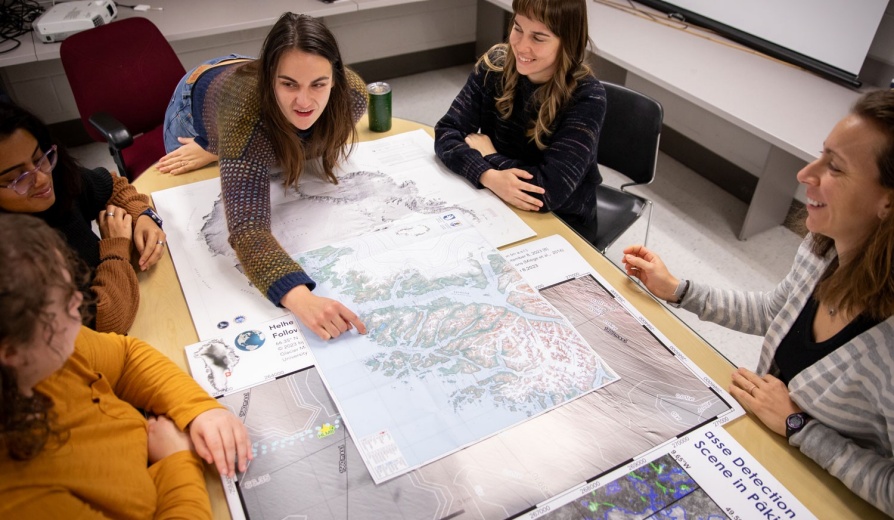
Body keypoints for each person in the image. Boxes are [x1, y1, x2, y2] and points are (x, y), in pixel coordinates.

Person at [622, 89, 894, 514]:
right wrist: (678, 289)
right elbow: (773, 312)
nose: (806, 174)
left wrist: (799, 426)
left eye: (835, 168)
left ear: (888, 201)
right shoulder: (821, 249)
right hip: (763, 451)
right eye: (821, 155)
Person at [0, 214, 252, 518]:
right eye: (66, 305)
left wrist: (200, 409)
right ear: (12, 352)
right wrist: (176, 460)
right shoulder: (22, 499)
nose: (79, 300)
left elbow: (126, 356)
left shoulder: (46, 352)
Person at [158, 13, 368, 341]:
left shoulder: (353, 95)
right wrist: (301, 298)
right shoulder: (245, 119)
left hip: (241, 84)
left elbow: (307, 138)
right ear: (271, 78)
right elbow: (247, 228)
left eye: (318, 84)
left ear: (336, 78)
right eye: (289, 84)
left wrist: (243, 148)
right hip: (199, 101)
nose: (304, 100)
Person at [434, 0, 605, 227]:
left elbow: (547, 193)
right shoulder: (494, 66)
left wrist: (489, 155)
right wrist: (488, 175)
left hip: (561, 220)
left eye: (538, 38)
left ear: (568, 42)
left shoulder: (587, 97)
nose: (521, 46)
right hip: (494, 198)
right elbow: (446, 131)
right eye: (518, 28)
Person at [0, 102, 166, 335]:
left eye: (39, 158)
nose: (41, 179)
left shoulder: (56, 179)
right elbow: (102, 322)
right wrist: (116, 248)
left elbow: (111, 185)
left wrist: (143, 216)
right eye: (18, 178)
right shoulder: (14, 265)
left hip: (124, 296)